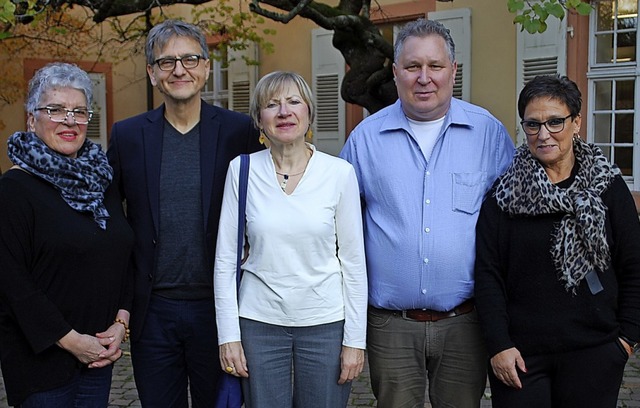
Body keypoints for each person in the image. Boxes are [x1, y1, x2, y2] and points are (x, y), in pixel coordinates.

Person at [339, 18, 515, 408]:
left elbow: (513, 223)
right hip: (390, 325)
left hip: (466, 323)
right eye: (413, 66)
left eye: (435, 66)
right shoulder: (364, 141)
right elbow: (337, 227)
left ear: (453, 70)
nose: (424, 77)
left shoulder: (488, 134)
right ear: (397, 71)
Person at [107, 20, 262, 407]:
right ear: (152, 73)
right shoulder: (128, 136)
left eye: (190, 59)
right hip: (153, 311)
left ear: (207, 67)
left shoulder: (238, 131)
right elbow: (110, 218)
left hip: (220, 307)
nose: (180, 70)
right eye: (167, 62)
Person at [474, 74, 640, 407]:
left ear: (576, 122)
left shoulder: (607, 187)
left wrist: (626, 339)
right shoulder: (503, 195)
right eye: (532, 125)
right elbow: (488, 275)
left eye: (555, 122)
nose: (543, 134)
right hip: (521, 358)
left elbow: (634, 264)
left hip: (595, 352)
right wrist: (498, 345)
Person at [214, 71, 368, 408]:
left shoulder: (339, 173)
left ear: (309, 113)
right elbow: (225, 262)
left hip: (325, 322)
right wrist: (229, 337)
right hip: (258, 323)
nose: (284, 111)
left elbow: (354, 263)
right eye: (272, 104)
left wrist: (356, 340)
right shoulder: (241, 171)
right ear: (259, 120)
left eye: (294, 101)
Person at [0, 62, 134, 407]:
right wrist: (72, 341)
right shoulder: (14, 189)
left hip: (100, 357)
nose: (69, 121)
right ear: (32, 119)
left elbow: (122, 254)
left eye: (78, 111)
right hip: (42, 363)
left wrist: (121, 322)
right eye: (55, 110)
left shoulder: (101, 182)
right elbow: (11, 282)